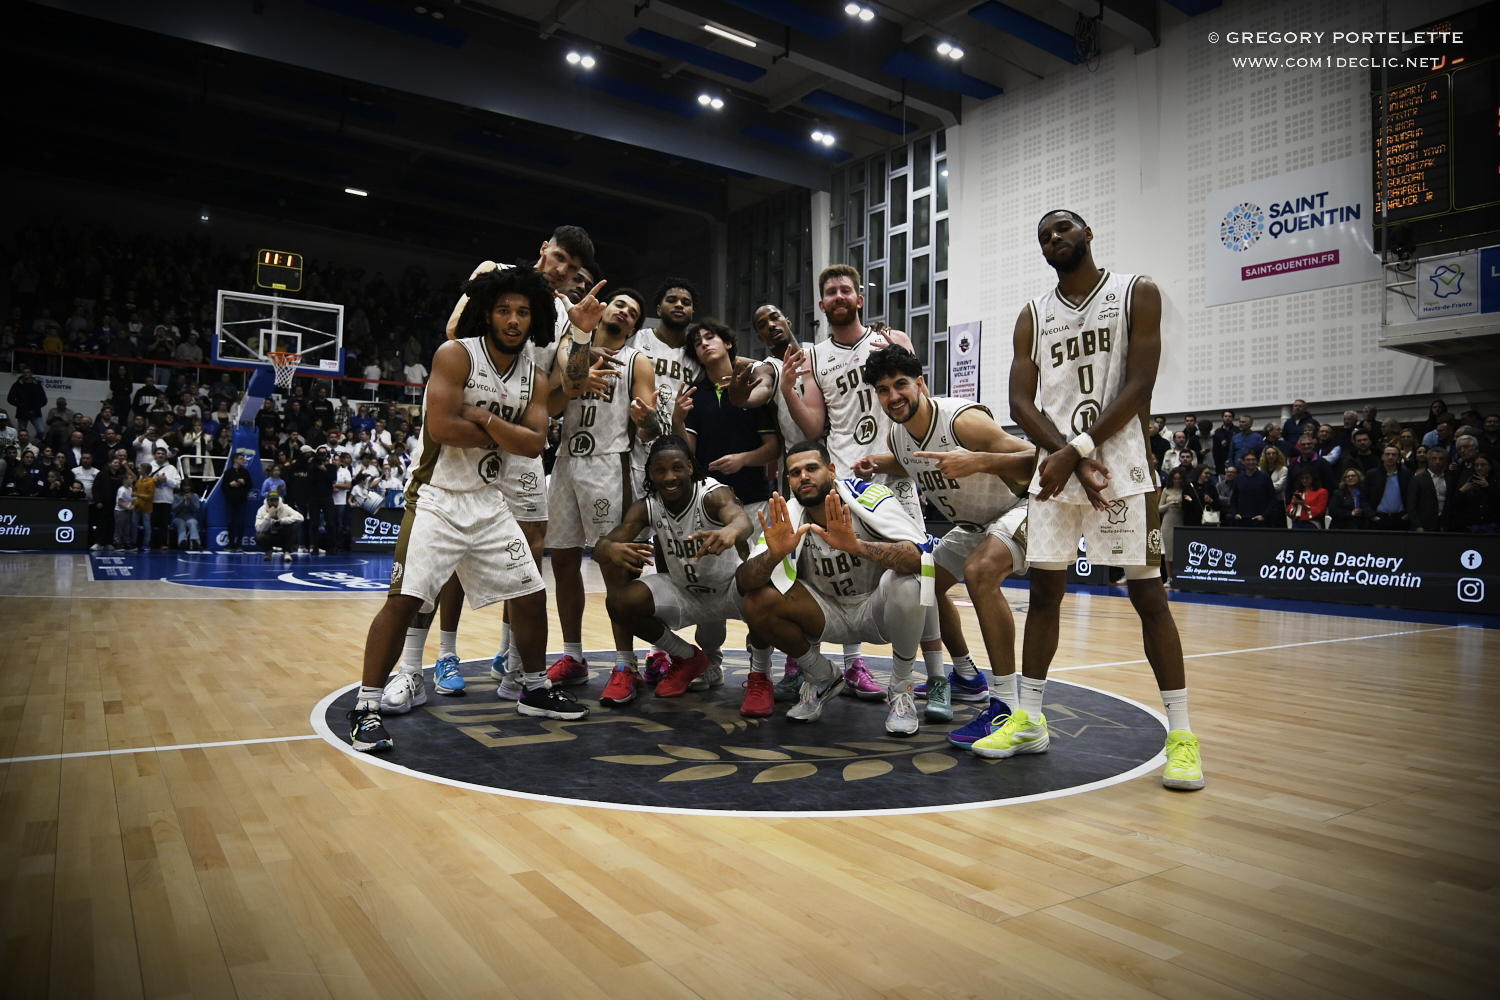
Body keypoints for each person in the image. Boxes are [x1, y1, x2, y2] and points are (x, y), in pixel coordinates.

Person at [1003, 208, 1203, 790]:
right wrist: (1064, 455)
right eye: (1043, 235)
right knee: (1044, 592)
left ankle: (1183, 734)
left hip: (1123, 465)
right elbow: (1020, 402)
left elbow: (1141, 383)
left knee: (1148, 596)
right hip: (1056, 464)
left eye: (1062, 229)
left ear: (1087, 233)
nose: (1053, 239)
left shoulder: (1135, 292)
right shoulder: (1032, 316)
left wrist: (1080, 450)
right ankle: (1031, 719)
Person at [353, 263, 580, 752]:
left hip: (488, 499)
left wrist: (480, 417)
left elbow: (536, 443)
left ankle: (534, 689)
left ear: (535, 317)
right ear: (488, 313)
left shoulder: (535, 376)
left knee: (529, 591)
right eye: (504, 310)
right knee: (406, 599)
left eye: (522, 312)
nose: (514, 320)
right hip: (436, 497)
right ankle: (367, 705)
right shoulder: (456, 355)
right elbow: (441, 428)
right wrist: (502, 430)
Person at [852, 345, 1037, 743]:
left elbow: (1037, 457)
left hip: (1024, 507)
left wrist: (979, 461)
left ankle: (1005, 707)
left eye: (901, 384)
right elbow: (914, 460)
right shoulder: (899, 435)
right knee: (922, 582)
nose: (893, 396)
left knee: (980, 572)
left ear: (920, 383)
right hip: (973, 525)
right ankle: (967, 675)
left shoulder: (962, 421)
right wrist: (879, 463)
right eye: (883, 390)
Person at [736, 441, 933, 734]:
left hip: (876, 609)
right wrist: (774, 554)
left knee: (908, 584)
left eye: (811, 468)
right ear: (788, 481)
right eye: (795, 473)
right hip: (826, 613)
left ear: (831, 470)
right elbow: (743, 583)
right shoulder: (786, 515)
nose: (803, 477)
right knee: (756, 599)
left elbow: (920, 559)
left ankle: (901, 689)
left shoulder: (870, 494)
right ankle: (821, 675)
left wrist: (858, 546)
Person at [544, 288, 657, 688]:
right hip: (565, 463)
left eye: (633, 311)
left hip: (612, 461)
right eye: (621, 304)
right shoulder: (574, 349)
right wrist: (575, 378)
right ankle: (573, 656)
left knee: (614, 566)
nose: (625, 311)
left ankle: (626, 664)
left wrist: (646, 419)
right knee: (562, 562)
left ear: (634, 328)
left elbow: (648, 425)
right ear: (605, 309)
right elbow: (553, 406)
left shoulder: (636, 361)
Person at [594, 435, 755, 709]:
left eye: (677, 468)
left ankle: (760, 675)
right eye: (660, 470)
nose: (669, 477)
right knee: (620, 601)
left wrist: (731, 530)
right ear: (651, 473)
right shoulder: (648, 506)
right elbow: (602, 545)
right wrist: (610, 550)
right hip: (687, 593)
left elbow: (741, 519)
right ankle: (688, 657)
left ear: (690, 468)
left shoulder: (712, 494)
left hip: (731, 590)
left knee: (764, 596)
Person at [672, 318, 778, 533]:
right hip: (710, 502)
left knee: (758, 564)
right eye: (697, 342)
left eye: (710, 337)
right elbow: (688, 453)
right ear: (696, 355)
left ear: (727, 343)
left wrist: (743, 459)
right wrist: (677, 420)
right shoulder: (694, 394)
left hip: (754, 499)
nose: (703, 344)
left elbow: (774, 448)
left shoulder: (753, 389)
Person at [1362, 446, 1411, 531]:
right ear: (1382, 457)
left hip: (1401, 519)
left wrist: (1408, 515)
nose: (1390, 457)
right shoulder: (1372, 474)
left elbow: (1413, 497)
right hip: (1378, 519)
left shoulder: (1407, 475)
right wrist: (1372, 516)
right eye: (1387, 454)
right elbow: (1363, 497)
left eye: (1394, 455)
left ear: (1399, 458)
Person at [1408, 447, 1457, 532]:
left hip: (1445, 524)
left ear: (1446, 461)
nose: (1437, 462)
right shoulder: (1417, 479)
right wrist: (1417, 525)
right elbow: (1411, 505)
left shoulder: (1450, 480)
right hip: (1424, 524)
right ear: (1428, 460)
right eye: (1434, 458)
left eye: (1441, 459)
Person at [1226, 450, 1277, 527]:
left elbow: (1273, 499)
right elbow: (1233, 498)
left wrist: (1264, 516)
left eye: (1253, 460)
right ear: (1243, 462)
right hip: (1242, 519)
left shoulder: (1265, 477)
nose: (1251, 462)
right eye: (1248, 460)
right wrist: (1235, 514)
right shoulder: (1239, 478)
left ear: (1257, 461)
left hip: (1260, 520)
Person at [1450, 453, 1498, 533]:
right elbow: (1455, 507)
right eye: (1476, 465)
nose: (1479, 468)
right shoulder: (1466, 483)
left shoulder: (1496, 483)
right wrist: (1461, 491)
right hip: (1470, 526)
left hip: (1492, 526)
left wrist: (1488, 487)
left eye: (1483, 465)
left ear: (1490, 467)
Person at [147, 447, 181, 549]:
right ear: (154, 455)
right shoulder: (149, 467)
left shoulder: (171, 468)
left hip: (166, 499)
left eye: (162, 454)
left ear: (166, 456)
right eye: (158, 453)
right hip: (151, 499)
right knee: (150, 523)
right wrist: (154, 481)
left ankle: (163, 543)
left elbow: (177, 483)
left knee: (164, 524)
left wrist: (166, 479)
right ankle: (150, 543)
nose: (160, 455)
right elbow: (142, 481)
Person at [255, 491, 302, 561]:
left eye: (275, 500)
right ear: (267, 500)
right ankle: (268, 551)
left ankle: (287, 552)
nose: (273, 503)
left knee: (294, 526)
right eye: (271, 500)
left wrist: (283, 520)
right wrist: (269, 516)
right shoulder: (262, 510)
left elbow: (300, 518)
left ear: (278, 500)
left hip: (283, 536)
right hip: (270, 535)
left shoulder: (284, 507)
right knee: (258, 537)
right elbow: (259, 528)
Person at [1159, 468, 1187, 582]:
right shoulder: (1166, 490)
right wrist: (1168, 505)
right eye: (1175, 478)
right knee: (1168, 551)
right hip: (1168, 522)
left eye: (1179, 478)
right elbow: (1159, 508)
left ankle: (1179, 576)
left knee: (1179, 551)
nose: (1177, 481)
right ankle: (1170, 577)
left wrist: (1181, 506)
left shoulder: (1185, 490)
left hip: (1180, 521)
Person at [220, 453, 253, 550]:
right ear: (235, 460)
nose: (243, 460)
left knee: (241, 523)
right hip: (230, 500)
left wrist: (244, 483)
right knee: (230, 522)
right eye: (241, 458)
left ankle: (239, 544)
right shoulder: (228, 472)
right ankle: (230, 543)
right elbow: (223, 487)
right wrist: (230, 484)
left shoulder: (245, 472)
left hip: (242, 500)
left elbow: (250, 486)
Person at [7, 366, 46, 436]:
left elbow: (44, 399)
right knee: (22, 432)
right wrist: (20, 405)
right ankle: (23, 445)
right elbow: (10, 398)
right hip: (23, 412)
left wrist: (38, 406)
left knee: (41, 431)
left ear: (31, 374)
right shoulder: (17, 385)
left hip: (35, 411)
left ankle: (35, 444)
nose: (25, 374)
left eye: (27, 372)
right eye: (24, 372)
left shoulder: (37, 385)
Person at [173, 482, 203, 550]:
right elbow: (174, 510)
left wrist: (191, 501)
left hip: (190, 517)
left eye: (188, 486)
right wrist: (182, 501)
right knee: (181, 524)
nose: (187, 488)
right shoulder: (176, 496)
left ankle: (195, 542)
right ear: (182, 487)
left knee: (193, 523)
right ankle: (182, 542)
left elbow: (196, 510)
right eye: (185, 486)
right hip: (178, 517)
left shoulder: (195, 496)